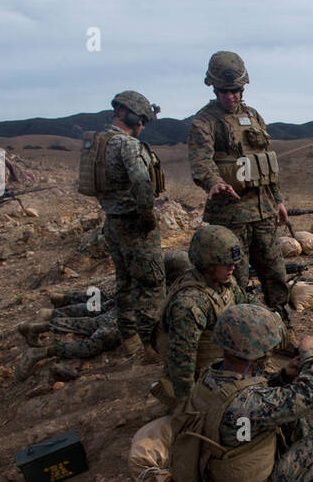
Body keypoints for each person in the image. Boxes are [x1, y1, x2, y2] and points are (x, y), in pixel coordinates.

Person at [179, 304, 313, 482]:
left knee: (291, 416)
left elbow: (251, 399)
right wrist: (310, 354)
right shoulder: (248, 403)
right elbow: (311, 395)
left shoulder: (210, 375)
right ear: (257, 353)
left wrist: (283, 376)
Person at [187, 51, 295, 352]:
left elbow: (266, 164)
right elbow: (200, 162)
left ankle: (283, 330)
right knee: (237, 280)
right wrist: (214, 182)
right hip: (231, 216)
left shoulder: (254, 116)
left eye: (236, 90)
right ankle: (239, 343)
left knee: (274, 273)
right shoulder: (204, 122)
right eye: (225, 91)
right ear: (212, 87)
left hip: (263, 212)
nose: (231, 96)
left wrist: (278, 201)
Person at [14, 251, 189, 381]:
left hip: (118, 307)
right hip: (123, 319)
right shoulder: (170, 292)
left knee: (94, 312)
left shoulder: (150, 275)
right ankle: (41, 351)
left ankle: (49, 316)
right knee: (92, 342)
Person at [94, 90, 166, 365]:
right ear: (129, 114)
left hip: (112, 221)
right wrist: (147, 212)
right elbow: (141, 181)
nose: (143, 126)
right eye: (142, 119)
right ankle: (154, 346)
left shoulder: (101, 141)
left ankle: (129, 338)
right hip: (133, 223)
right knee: (150, 282)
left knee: (124, 281)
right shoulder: (127, 144)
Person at [152, 225, 258, 408]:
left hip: (224, 360)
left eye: (234, 262)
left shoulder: (224, 282)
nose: (233, 267)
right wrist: (188, 405)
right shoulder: (190, 304)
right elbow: (182, 360)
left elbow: (246, 305)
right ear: (208, 264)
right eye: (226, 263)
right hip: (204, 376)